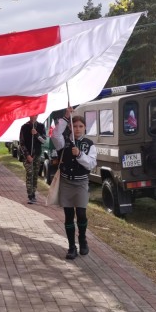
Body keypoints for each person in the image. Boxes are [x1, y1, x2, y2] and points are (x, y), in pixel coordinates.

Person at [52, 108, 98, 260]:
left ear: (85, 128)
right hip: (66, 182)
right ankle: (72, 246)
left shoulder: (89, 144)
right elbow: (55, 134)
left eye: (81, 126)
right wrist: (66, 117)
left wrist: (79, 154)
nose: (77, 129)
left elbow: (90, 164)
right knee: (69, 216)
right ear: (71, 127)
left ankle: (83, 240)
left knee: (81, 214)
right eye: (75, 126)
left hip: (81, 183)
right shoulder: (63, 142)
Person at [19, 115, 46, 204]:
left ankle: (33, 193)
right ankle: (30, 195)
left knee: (35, 174)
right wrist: (27, 155)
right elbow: (21, 143)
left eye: (35, 114)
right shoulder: (24, 127)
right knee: (29, 173)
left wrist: (37, 134)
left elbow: (44, 141)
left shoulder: (41, 126)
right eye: (32, 114)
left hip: (37, 155)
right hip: (28, 156)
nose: (34, 116)